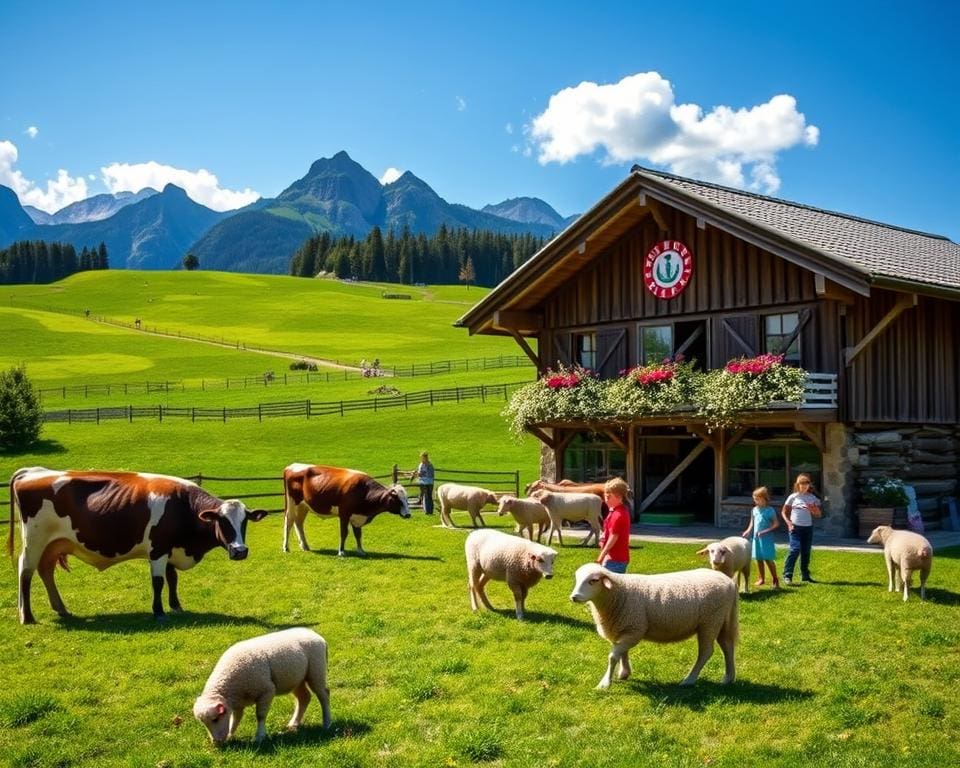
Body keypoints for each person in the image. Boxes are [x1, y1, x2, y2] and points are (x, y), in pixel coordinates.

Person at [780, 474, 822, 585]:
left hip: (808, 528)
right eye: (801, 484)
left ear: (809, 485)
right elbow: (783, 512)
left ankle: (805, 576)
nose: (804, 486)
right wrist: (789, 523)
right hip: (795, 528)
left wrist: (813, 510)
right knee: (795, 550)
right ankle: (787, 575)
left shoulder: (813, 498)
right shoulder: (793, 497)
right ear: (797, 485)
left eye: (806, 483)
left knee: (806, 552)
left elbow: (818, 514)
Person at [742, 486, 780, 588]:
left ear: (764, 498)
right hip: (756, 538)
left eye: (757, 499)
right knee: (758, 558)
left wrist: (765, 531)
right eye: (754, 499)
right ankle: (761, 579)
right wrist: (748, 531)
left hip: (766, 539)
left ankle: (775, 579)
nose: (755, 501)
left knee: (768, 559)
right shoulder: (754, 510)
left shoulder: (770, 510)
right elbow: (752, 523)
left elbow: (776, 524)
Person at [597, 477, 632, 573]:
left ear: (619, 497)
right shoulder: (614, 511)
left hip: (615, 560)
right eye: (605, 497)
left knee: (609, 586)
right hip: (612, 558)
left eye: (608, 497)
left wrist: (601, 556)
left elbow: (613, 537)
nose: (605, 500)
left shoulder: (619, 515)